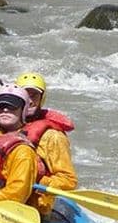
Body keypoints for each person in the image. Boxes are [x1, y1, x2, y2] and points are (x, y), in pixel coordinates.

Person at [15, 72, 78, 215]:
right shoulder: (5, 125)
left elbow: (68, 180)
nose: (30, 101)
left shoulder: (53, 137)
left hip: (36, 205)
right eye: (26, 95)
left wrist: (39, 182)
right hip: (7, 196)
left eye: (34, 96)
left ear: (42, 99)